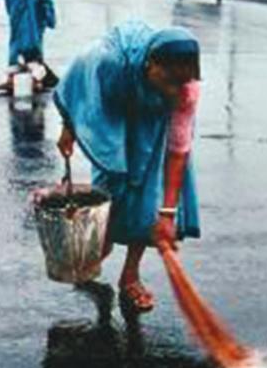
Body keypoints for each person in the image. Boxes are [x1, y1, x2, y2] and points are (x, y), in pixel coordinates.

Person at [52, 21, 201, 315]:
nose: (173, 90)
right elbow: (81, 86)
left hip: (155, 122)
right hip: (116, 106)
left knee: (148, 198)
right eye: (168, 79)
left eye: (180, 83)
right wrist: (69, 127)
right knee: (111, 188)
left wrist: (167, 214)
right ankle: (100, 246)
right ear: (149, 64)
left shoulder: (185, 90)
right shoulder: (110, 64)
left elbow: (177, 152)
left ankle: (130, 275)